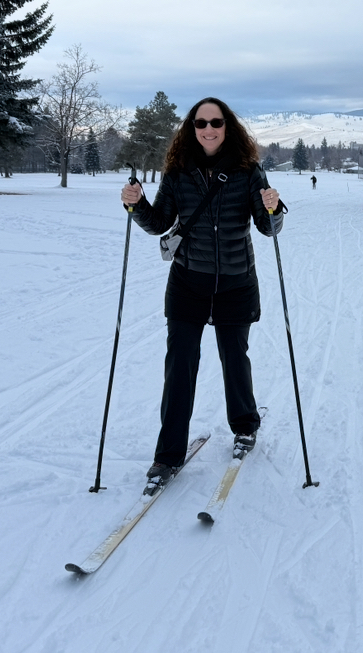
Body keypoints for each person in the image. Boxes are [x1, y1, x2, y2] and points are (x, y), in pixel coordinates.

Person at [119, 97, 284, 493]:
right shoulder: (178, 172)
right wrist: (136, 205)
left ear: (228, 126)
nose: (208, 129)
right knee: (180, 365)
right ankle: (168, 454)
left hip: (235, 282)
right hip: (187, 282)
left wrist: (274, 209)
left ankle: (245, 425)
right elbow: (160, 221)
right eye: (200, 122)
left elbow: (268, 228)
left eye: (216, 121)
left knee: (233, 357)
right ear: (190, 128)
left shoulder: (248, 171)